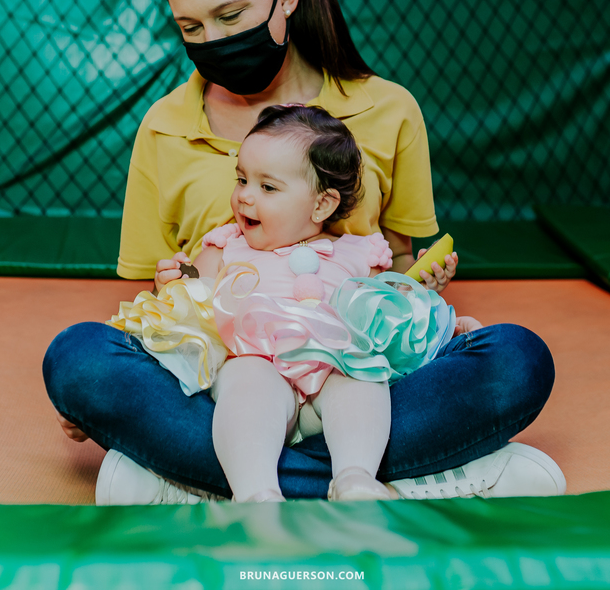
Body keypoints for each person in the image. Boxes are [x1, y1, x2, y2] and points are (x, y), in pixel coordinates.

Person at [43, 0, 563, 503]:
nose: (212, 41)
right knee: (79, 358)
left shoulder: (389, 110)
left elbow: (391, 274)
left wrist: (425, 307)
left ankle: (196, 482)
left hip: (356, 374)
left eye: (231, 15)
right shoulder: (164, 127)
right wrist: (102, 393)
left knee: (516, 359)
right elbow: (152, 300)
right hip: (229, 381)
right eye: (190, 28)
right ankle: (421, 479)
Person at [111, 104, 464, 502]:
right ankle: (257, 493)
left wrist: (423, 293)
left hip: (328, 393)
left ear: (322, 205)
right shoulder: (225, 248)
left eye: (267, 187)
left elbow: (386, 315)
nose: (244, 197)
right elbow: (187, 307)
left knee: (363, 371)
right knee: (248, 378)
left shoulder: (358, 254)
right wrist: (172, 285)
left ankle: (355, 476)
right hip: (257, 384)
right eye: (242, 179)